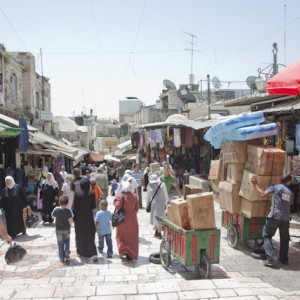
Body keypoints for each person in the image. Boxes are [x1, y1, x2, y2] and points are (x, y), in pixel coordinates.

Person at [251, 173, 293, 267]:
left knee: (266, 235)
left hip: (275, 216)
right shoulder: (290, 192)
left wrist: (255, 185)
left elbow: (262, 194)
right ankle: (283, 259)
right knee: (285, 239)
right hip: (285, 219)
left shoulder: (276, 187)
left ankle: (271, 258)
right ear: (289, 181)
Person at [114, 176, 139, 261]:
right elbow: (137, 209)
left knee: (122, 236)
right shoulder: (134, 196)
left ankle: (123, 251)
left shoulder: (121, 196)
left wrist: (116, 200)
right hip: (133, 220)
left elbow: (117, 206)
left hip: (123, 220)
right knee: (132, 238)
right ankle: (131, 254)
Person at [73, 177, 98, 262]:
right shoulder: (92, 193)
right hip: (88, 217)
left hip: (79, 217)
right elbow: (93, 206)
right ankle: (91, 252)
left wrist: (73, 217)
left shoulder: (77, 193)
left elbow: (74, 207)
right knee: (90, 234)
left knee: (80, 234)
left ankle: (81, 251)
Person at [51, 195, 74, 263]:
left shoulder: (56, 209)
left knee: (60, 243)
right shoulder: (68, 210)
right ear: (67, 203)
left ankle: (61, 258)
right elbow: (71, 219)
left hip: (58, 229)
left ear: (59, 202)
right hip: (67, 228)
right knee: (67, 240)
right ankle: (67, 252)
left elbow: (52, 216)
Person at [146, 174, 169, 239]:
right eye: (153, 182)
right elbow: (148, 195)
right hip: (153, 205)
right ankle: (156, 231)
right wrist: (147, 203)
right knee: (154, 218)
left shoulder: (162, 185)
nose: (154, 184)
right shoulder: (149, 185)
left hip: (161, 204)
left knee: (160, 218)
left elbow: (165, 194)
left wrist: (166, 203)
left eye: (155, 182)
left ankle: (159, 232)